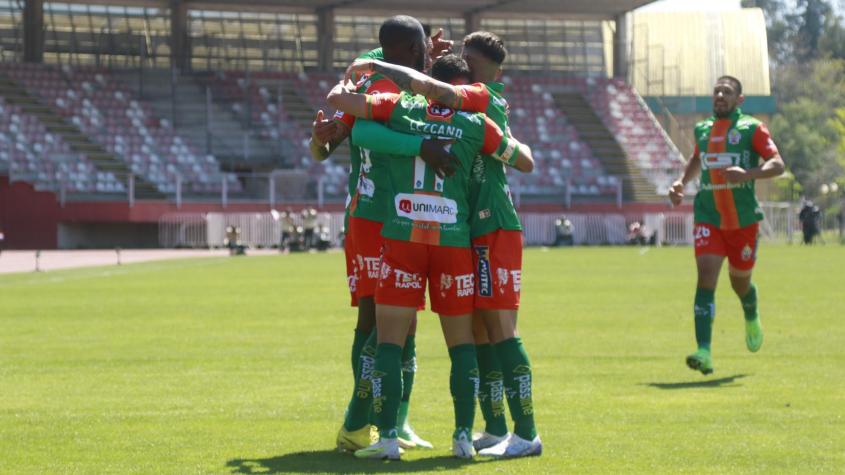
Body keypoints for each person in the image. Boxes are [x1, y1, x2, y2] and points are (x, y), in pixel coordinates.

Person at [344, 31, 543, 458]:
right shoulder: (472, 115)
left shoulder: (476, 98)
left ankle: (526, 432)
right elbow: (522, 158)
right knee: (478, 332)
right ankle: (491, 428)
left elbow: (376, 111)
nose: (466, 68)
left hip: (491, 226)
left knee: (500, 330)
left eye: (472, 62)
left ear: (487, 72)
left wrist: (375, 65)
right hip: (466, 231)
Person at [310, 16, 451, 452]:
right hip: (373, 216)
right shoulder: (371, 79)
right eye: (424, 46)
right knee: (376, 320)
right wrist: (318, 140)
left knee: (405, 323)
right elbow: (334, 142)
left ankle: (395, 420)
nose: (430, 52)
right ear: (413, 48)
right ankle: (359, 421)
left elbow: (327, 144)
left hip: (405, 215)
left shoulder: (405, 82)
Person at [669, 75, 784, 375]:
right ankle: (704, 351)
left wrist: (748, 174)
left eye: (727, 92)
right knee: (706, 277)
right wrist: (681, 182)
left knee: (739, 283)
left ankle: (751, 310)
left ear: (739, 99)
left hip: (743, 220)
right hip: (708, 214)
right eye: (717, 91)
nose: (720, 96)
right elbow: (697, 158)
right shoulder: (703, 129)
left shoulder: (752, 128)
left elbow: (777, 164)